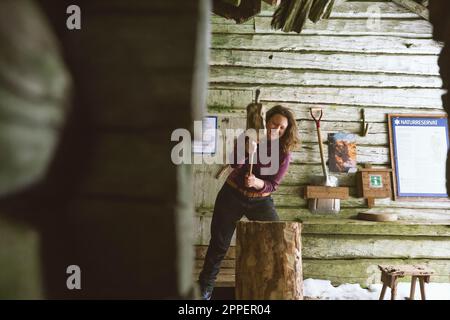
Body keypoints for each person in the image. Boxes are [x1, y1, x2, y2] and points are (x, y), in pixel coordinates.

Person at [198, 105, 300, 300]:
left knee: (278, 240)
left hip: (260, 202)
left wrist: (257, 182)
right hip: (232, 195)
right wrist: (246, 149)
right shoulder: (249, 137)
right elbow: (235, 164)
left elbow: (272, 185)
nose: (276, 129)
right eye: (274, 124)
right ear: (266, 121)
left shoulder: (284, 153)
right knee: (219, 245)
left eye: (282, 128)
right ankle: (205, 289)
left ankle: (273, 289)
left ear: (287, 131)